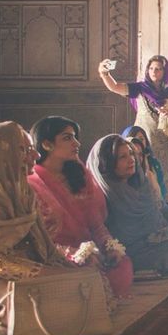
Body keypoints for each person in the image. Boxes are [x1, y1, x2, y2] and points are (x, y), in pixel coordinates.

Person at [29, 116, 133, 297]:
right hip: (53, 257)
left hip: (91, 252)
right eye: (67, 138)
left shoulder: (80, 176)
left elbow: (96, 225)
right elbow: (41, 241)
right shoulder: (33, 184)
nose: (76, 143)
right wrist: (78, 256)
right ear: (47, 144)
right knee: (83, 276)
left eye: (75, 136)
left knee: (121, 265)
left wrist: (109, 247)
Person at [88, 135, 168, 276]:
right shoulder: (103, 195)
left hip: (161, 239)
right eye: (122, 157)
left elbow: (163, 209)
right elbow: (104, 233)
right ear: (107, 163)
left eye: (131, 154)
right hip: (134, 251)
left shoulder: (142, 184)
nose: (131, 160)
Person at [98, 55, 168, 200]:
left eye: (158, 69)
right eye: (151, 68)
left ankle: (164, 211)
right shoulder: (140, 89)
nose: (154, 72)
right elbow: (115, 87)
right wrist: (104, 73)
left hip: (165, 144)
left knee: (165, 177)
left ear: (165, 72)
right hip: (143, 141)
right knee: (143, 175)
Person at [0, 120, 70, 283]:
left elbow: (45, 248)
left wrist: (68, 266)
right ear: (4, 156)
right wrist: (46, 273)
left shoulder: (26, 194)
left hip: (31, 283)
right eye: (25, 150)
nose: (36, 155)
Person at [121, 125, 166, 200]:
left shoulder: (154, 163)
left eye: (141, 139)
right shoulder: (123, 170)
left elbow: (161, 193)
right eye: (132, 153)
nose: (137, 141)